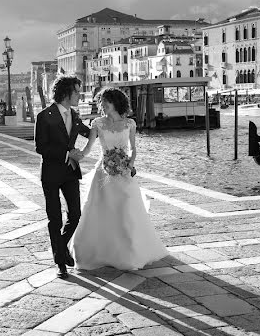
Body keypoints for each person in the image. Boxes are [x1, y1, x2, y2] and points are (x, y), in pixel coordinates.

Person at [69, 87, 169, 271]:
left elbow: (133, 149)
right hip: (103, 173)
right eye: (101, 103)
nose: (103, 106)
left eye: (106, 102)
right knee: (102, 210)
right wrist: (77, 155)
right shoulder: (97, 123)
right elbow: (89, 148)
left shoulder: (129, 123)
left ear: (115, 102)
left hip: (124, 173)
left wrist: (129, 166)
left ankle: (129, 254)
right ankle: (101, 252)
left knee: (126, 210)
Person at [34, 76, 90, 279]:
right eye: (76, 92)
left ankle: (61, 247)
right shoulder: (44, 116)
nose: (79, 95)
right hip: (50, 173)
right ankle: (60, 263)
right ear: (66, 93)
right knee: (55, 218)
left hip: (70, 173)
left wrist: (111, 125)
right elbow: (41, 147)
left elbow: (88, 132)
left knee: (75, 215)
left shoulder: (74, 115)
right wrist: (68, 154)